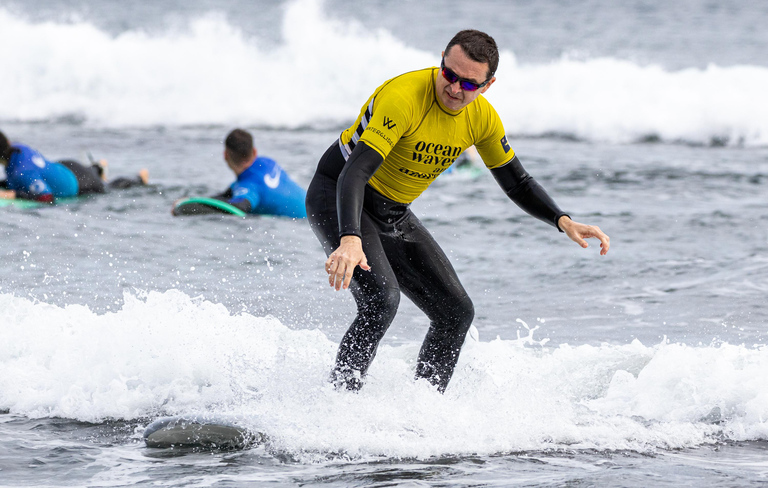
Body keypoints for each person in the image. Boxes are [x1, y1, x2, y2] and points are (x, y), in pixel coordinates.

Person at [305, 30, 610, 393]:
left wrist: (562, 220)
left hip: (392, 210)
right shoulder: (403, 97)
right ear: (442, 62)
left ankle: (424, 412)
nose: (453, 88)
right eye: (448, 74)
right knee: (381, 301)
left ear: (488, 84)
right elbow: (355, 171)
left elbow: (517, 182)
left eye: (468, 83)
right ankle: (337, 403)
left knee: (455, 313)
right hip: (338, 191)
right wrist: (350, 238)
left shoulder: (482, 119)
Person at [174, 128, 307, 218]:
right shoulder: (267, 162)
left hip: (301, 224)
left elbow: (241, 207)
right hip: (317, 210)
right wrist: (192, 201)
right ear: (254, 152)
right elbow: (228, 195)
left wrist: (189, 207)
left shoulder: (249, 187)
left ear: (225, 155)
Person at [0, 130, 148, 203]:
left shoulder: (24, 173)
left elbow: (47, 197)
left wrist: (14, 195)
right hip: (66, 167)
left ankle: (140, 178)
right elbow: (18, 178)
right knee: (90, 172)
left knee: (109, 187)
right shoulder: (17, 148)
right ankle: (98, 167)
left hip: (79, 183)